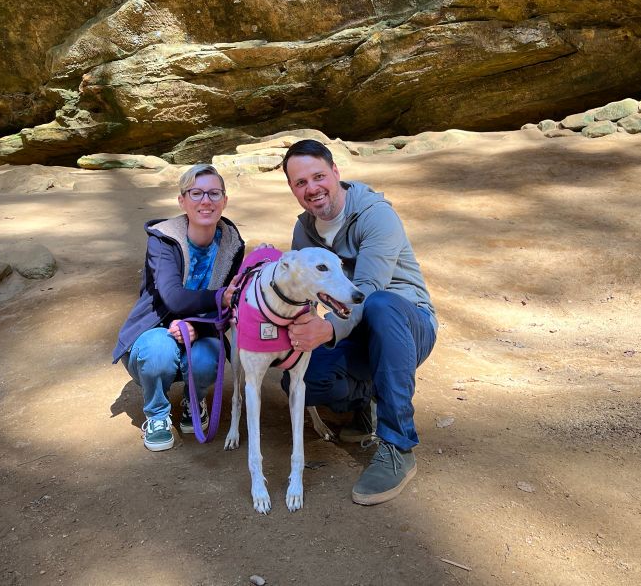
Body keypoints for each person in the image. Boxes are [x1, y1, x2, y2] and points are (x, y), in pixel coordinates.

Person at [281, 139, 437, 504]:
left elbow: (367, 289)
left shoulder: (375, 215)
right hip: (353, 332)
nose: (312, 189)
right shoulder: (304, 230)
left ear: (336, 173)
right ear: (292, 189)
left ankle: (398, 445)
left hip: (406, 324)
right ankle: (364, 400)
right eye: (300, 183)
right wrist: (301, 327)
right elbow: (303, 291)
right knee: (300, 382)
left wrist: (330, 329)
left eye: (318, 176)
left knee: (381, 304)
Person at [112, 164, 245, 451]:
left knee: (209, 358)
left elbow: (231, 302)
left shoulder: (232, 243)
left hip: (203, 327)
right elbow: (172, 297)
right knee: (157, 352)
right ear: (182, 201)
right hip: (156, 328)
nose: (205, 201)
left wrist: (196, 325)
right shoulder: (163, 241)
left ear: (225, 200)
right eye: (195, 193)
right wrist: (219, 297)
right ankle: (157, 413)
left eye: (213, 193)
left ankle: (193, 400)